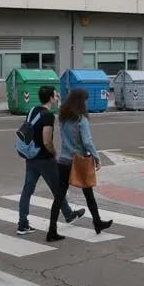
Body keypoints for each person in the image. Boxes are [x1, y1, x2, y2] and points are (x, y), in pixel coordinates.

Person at [16, 85, 84, 235]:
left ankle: (22, 223)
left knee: (27, 190)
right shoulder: (48, 116)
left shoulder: (33, 110)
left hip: (31, 157)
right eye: (56, 94)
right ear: (51, 98)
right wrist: (54, 154)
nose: (57, 96)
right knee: (58, 189)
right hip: (45, 159)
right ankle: (68, 215)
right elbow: (47, 140)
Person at [47, 88, 113, 242]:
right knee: (88, 194)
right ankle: (97, 222)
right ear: (81, 102)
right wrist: (96, 157)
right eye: (85, 101)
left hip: (63, 160)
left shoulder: (63, 117)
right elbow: (87, 141)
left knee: (59, 197)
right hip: (78, 161)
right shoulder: (80, 119)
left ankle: (52, 230)